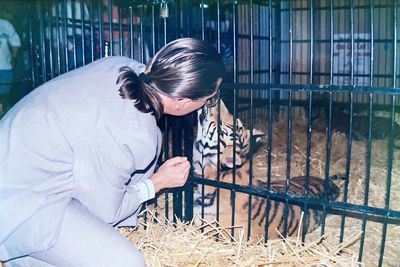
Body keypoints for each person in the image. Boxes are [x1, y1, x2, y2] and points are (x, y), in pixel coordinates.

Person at [0, 37, 225, 267]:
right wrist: (157, 183)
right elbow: (105, 212)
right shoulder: (134, 133)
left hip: (19, 163)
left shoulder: (121, 66)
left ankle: (22, 256)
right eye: (208, 99)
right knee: (127, 263)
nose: (208, 104)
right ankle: (18, 251)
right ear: (182, 101)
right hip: (21, 200)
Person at [0, 7, 21, 115]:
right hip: (5, 68)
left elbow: (16, 42)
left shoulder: (5, 24)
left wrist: (13, 58)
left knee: (4, 98)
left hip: (4, 68)